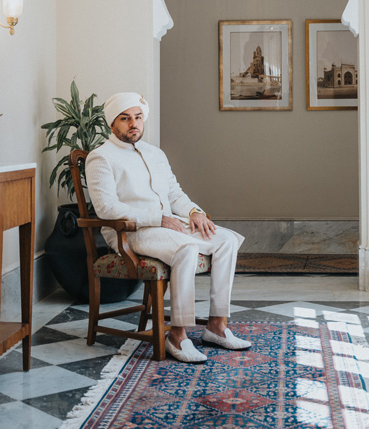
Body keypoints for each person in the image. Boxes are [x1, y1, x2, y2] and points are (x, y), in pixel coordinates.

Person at [85, 92, 251, 363]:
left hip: (167, 226)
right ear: (112, 124)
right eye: (125, 118)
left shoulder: (155, 153)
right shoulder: (100, 157)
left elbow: (174, 193)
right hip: (130, 233)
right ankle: (177, 335)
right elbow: (107, 209)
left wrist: (194, 211)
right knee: (186, 248)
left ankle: (217, 326)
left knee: (226, 240)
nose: (133, 124)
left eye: (137, 117)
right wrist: (159, 219)